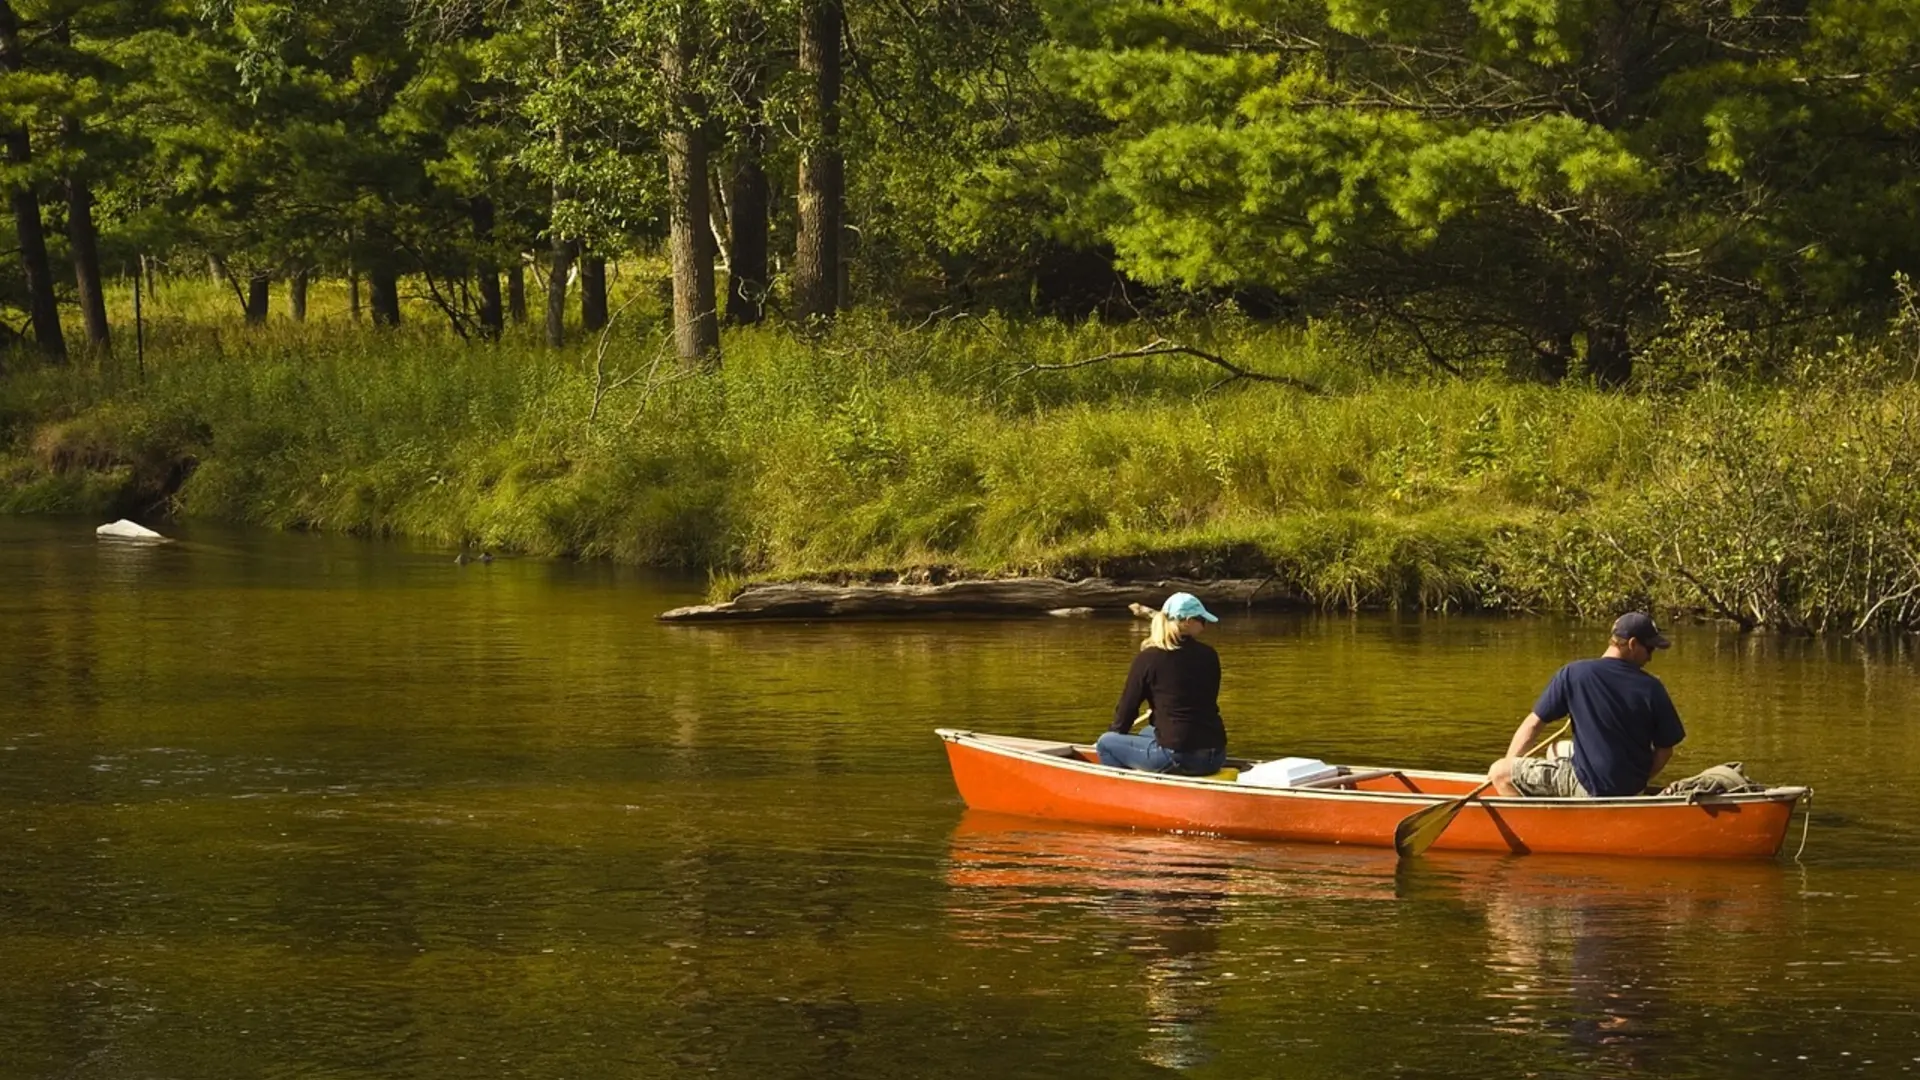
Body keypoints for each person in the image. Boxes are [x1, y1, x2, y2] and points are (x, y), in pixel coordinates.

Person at [1489, 612, 1686, 798]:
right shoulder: (1652, 687)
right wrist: (1637, 784)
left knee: (1500, 772)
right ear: (1632, 644)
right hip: (1633, 788)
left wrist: (1510, 764)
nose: (1650, 657)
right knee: (1556, 750)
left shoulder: (1574, 674)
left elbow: (1533, 725)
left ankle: (1542, 819)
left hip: (1589, 787)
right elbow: (1665, 751)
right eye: (1650, 649)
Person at [1095, 592, 1228, 776]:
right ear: (1188, 621)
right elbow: (1198, 702)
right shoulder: (1210, 655)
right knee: (1146, 732)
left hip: (1180, 757)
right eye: (1202, 620)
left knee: (1105, 743)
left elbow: (1127, 709)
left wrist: (1114, 734)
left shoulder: (1148, 658)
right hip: (1217, 755)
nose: (1204, 626)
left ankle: (1129, 788)